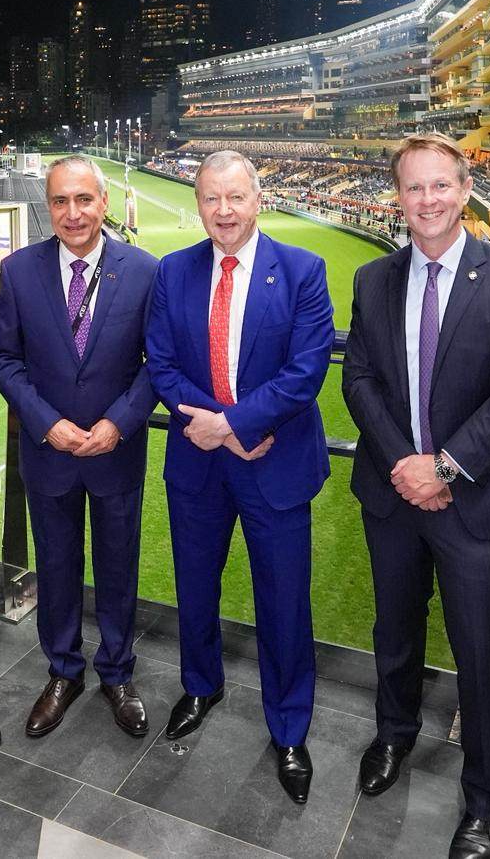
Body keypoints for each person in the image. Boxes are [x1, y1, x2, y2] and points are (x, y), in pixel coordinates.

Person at [343, 133, 490, 859]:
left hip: (477, 501)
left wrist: (447, 466)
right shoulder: (374, 280)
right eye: (413, 188)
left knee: (480, 653)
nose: (426, 201)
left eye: (440, 186)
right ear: (395, 197)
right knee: (394, 632)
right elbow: (359, 381)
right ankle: (394, 736)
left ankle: (486, 799)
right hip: (395, 490)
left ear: (465, 191)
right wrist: (407, 463)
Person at [144, 149, 335, 805]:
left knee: (283, 601)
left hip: (273, 462)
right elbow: (161, 363)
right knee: (196, 586)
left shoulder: (304, 271)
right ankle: (200, 687)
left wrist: (233, 427)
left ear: (259, 198)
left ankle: (288, 725)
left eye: (235, 198)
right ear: (197, 203)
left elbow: (305, 372)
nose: (223, 212)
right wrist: (215, 429)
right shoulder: (173, 271)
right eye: (210, 199)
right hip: (198, 462)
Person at [0, 155, 158, 740]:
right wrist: (44, 422)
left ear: (103, 202)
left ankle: (117, 672)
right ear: (48, 205)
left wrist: (118, 422)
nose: (72, 213)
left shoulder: (144, 270)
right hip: (50, 453)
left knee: (118, 568)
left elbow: (156, 364)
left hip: (116, 451)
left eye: (83, 199)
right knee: (56, 568)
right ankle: (63, 671)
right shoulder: (17, 271)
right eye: (60, 201)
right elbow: (4, 359)